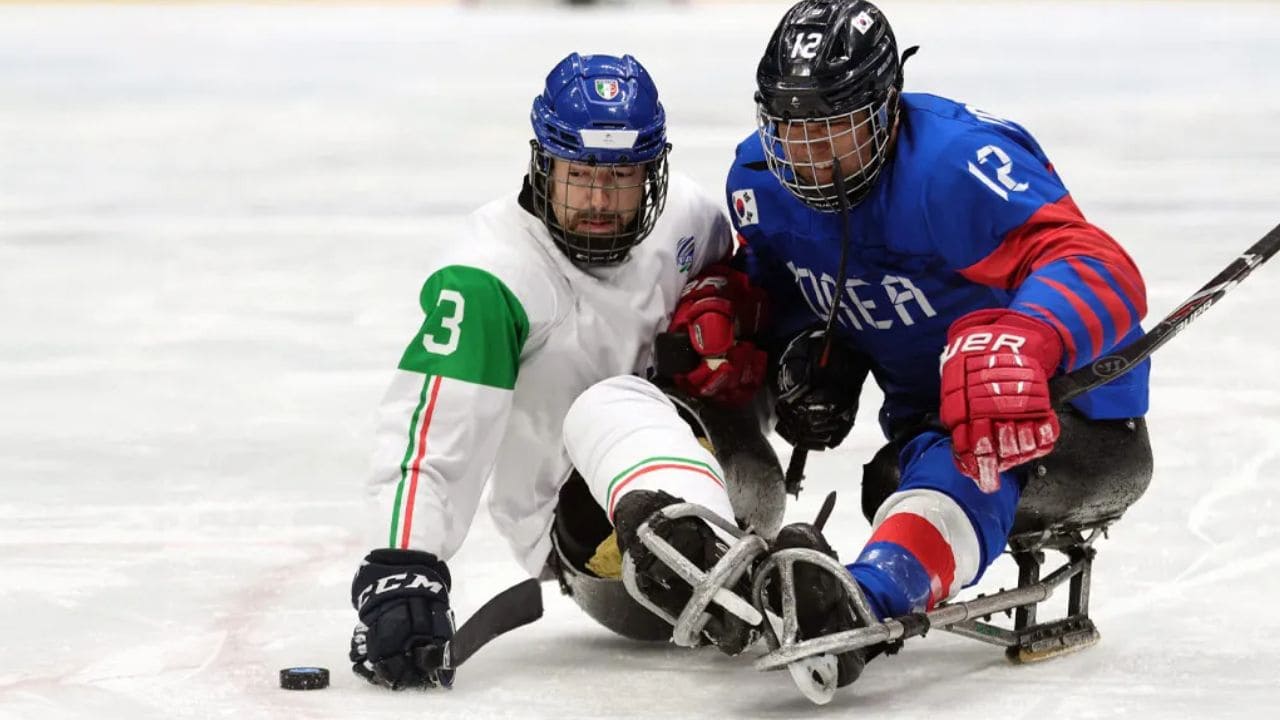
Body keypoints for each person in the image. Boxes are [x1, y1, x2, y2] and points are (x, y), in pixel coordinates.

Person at [727, 0, 1154, 687]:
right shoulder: (758, 183)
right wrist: (809, 357)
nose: (810, 159)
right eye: (791, 130)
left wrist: (1026, 339)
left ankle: (862, 603)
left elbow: (1098, 264)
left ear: (887, 108)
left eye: (835, 129)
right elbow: (778, 297)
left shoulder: (952, 166)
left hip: (1077, 421)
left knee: (967, 453)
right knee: (893, 480)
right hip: (930, 424)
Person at [347, 52, 776, 690]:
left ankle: (758, 569)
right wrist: (405, 561)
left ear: (653, 173)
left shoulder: (689, 219)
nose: (599, 200)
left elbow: (749, 322)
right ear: (543, 164)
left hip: (730, 476)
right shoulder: (494, 273)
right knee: (611, 402)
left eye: (622, 178)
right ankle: (730, 569)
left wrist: (734, 328)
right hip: (591, 543)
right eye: (579, 175)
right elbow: (439, 424)